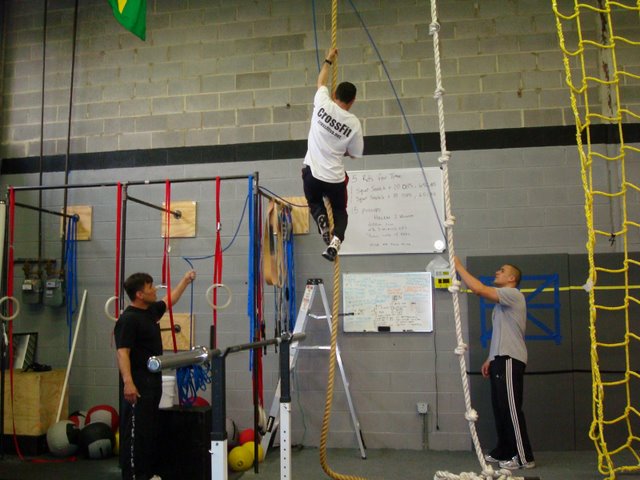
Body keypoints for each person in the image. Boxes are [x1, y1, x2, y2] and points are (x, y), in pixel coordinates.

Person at [453, 256, 535, 470]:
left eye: (502, 270)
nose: (497, 272)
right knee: (500, 408)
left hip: (510, 359)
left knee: (511, 409)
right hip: (500, 359)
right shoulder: (500, 306)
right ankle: (505, 450)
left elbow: (479, 289)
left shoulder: (513, 294)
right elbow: (501, 333)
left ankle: (524, 457)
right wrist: (491, 358)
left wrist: (458, 266)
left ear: (512, 278)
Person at [115, 270, 195, 480]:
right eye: (150, 287)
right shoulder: (128, 320)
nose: (155, 289)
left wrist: (185, 280)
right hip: (137, 384)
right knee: (135, 433)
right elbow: (122, 353)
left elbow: (170, 300)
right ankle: (133, 476)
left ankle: (146, 474)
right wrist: (128, 383)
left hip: (152, 381)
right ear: (140, 294)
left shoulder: (150, 311)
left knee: (148, 430)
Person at [302, 47, 364, 262]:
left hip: (312, 174)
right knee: (339, 211)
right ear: (352, 101)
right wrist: (340, 146)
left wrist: (328, 60)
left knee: (314, 201)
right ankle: (335, 242)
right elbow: (355, 154)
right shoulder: (354, 123)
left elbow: (321, 82)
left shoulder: (322, 102)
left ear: (334, 94)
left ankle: (320, 217)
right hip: (335, 180)